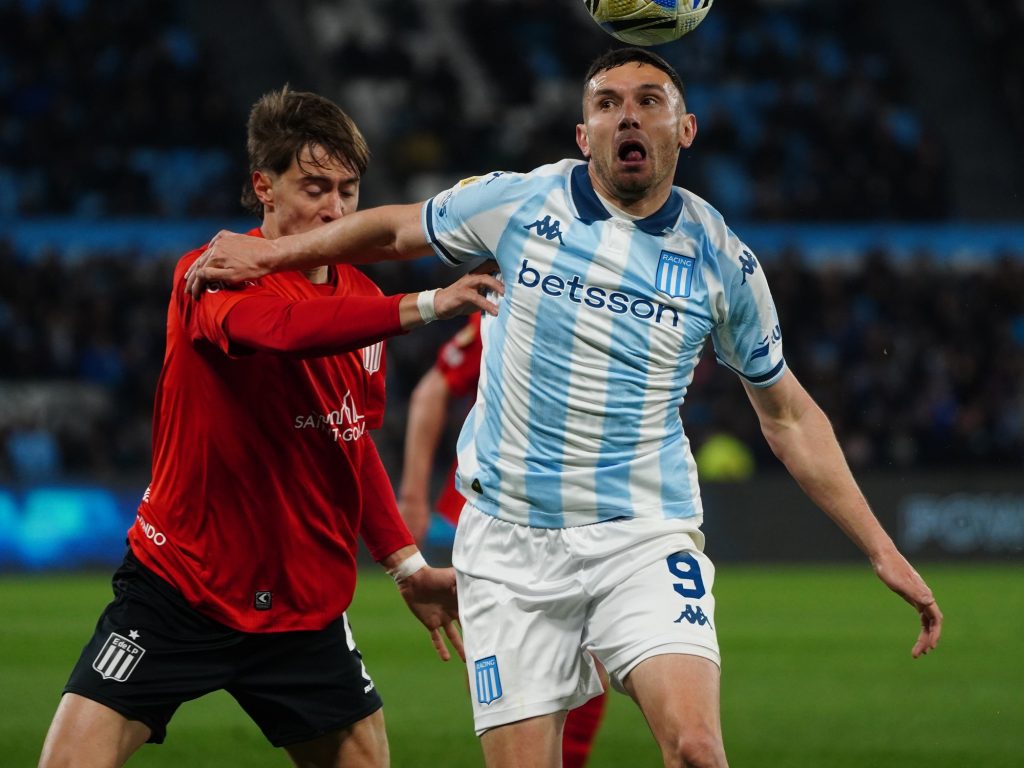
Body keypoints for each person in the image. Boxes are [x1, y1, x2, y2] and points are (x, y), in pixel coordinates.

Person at [186, 49, 943, 768]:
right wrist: (268, 255)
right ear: (584, 135)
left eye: (650, 103)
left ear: (685, 129)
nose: (628, 119)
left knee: (696, 750)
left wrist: (880, 547)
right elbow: (391, 229)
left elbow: (787, 415)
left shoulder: (721, 259)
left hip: (642, 535)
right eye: (608, 105)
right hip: (507, 551)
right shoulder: (520, 201)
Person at [38, 86, 501, 768]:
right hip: (180, 589)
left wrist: (406, 564)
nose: (335, 209)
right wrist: (429, 302)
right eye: (315, 187)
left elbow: (350, 439)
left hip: (303, 608)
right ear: (264, 186)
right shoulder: (217, 271)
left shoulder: (360, 298)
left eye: (348, 191)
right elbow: (283, 332)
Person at [397, 312, 607, 768]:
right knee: (532, 681)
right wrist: (413, 498)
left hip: (582, 514)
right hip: (499, 519)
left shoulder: (614, 292)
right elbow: (431, 389)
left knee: (588, 668)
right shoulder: (516, 299)